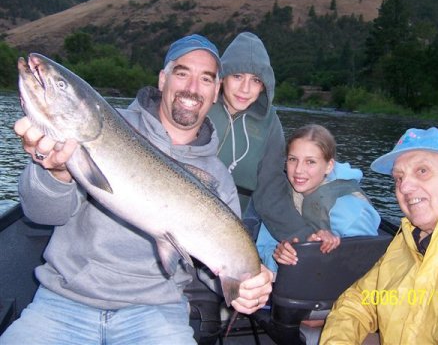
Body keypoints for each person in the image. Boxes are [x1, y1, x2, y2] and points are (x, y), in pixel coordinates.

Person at [1, 34, 273, 345]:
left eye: (206, 79)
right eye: (182, 73)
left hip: (156, 312)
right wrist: (57, 172)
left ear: (215, 92)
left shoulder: (217, 179)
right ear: (162, 79)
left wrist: (250, 287)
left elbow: (218, 272)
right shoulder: (105, 129)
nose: (192, 87)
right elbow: (41, 213)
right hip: (66, 299)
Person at [319, 127, 438, 344]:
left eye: (422, 171)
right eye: (398, 177)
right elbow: (358, 302)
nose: (404, 187)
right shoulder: (407, 241)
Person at [207, 32, 310, 241]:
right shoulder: (199, 103)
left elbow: (271, 192)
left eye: (255, 80)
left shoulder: (270, 123)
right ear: (223, 76)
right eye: (237, 76)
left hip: (234, 227)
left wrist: (305, 237)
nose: (245, 89)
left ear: (264, 85)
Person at [262, 124, 381, 272]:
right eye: (293, 159)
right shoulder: (281, 196)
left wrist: (331, 247)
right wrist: (279, 255)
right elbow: (265, 247)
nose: (298, 170)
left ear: (329, 166)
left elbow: (366, 263)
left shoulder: (350, 210)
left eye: (310, 161)